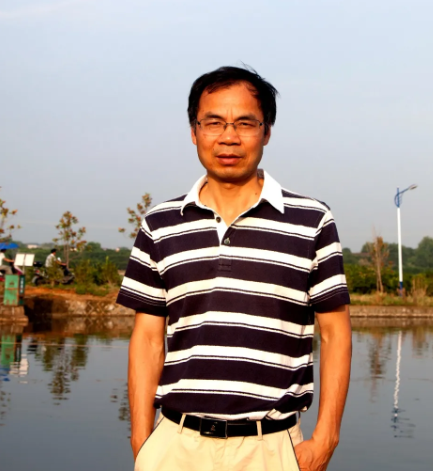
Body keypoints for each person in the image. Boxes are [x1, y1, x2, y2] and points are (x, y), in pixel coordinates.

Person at [117, 66, 352, 471]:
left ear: (267, 131)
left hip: (272, 448)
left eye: (245, 123)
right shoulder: (160, 223)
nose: (229, 137)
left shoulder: (311, 221)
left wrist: (326, 438)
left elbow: (334, 333)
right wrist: (142, 439)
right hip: (175, 446)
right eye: (213, 123)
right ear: (194, 132)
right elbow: (148, 338)